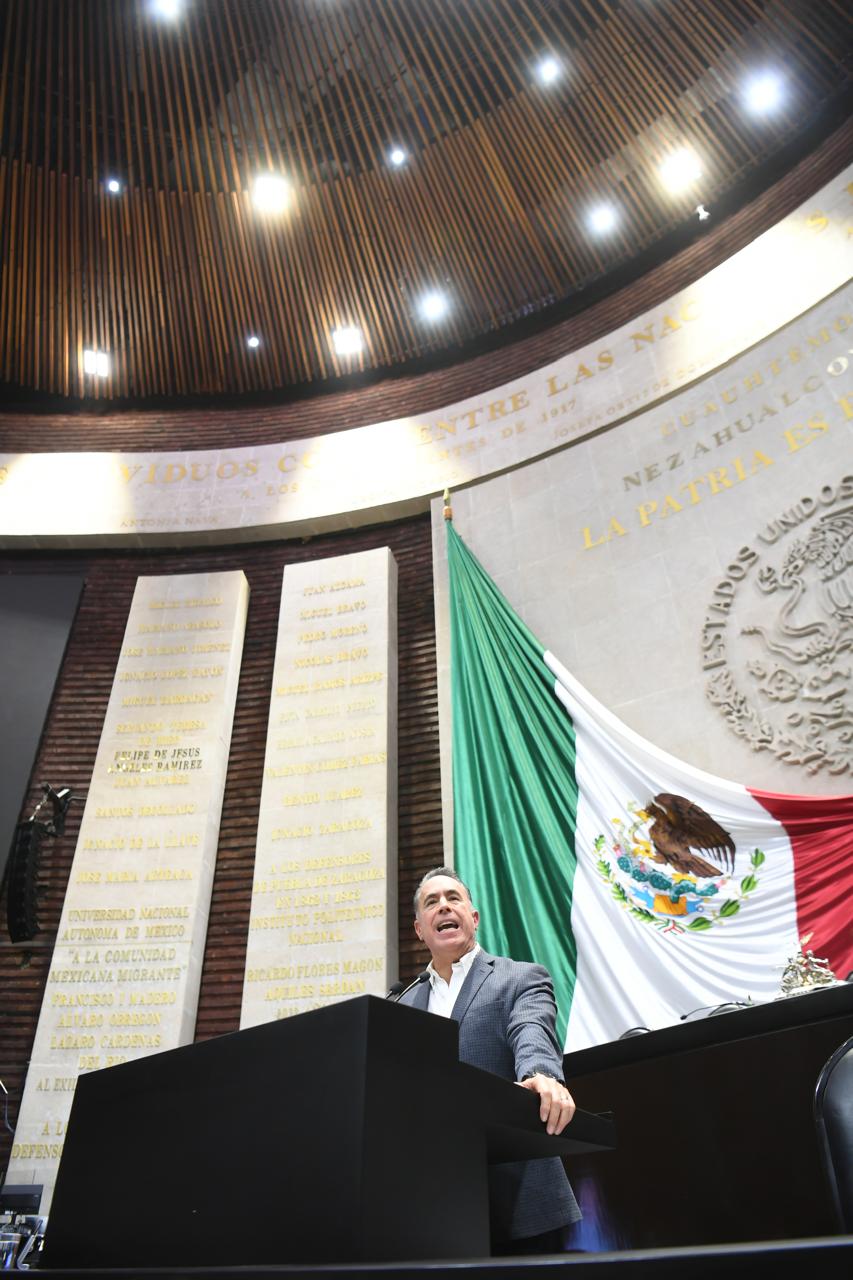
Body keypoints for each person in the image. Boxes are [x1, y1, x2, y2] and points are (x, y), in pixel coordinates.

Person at [399, 865, 581, 1253]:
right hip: (431, 1208)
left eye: (453, 898)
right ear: (419, 930)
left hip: (518, 1199)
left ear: (474, 917)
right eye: (431, 902)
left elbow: (532, 1032)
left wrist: (541, 1075)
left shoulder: (519, 978)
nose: (444, 906)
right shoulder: (401, 1003)